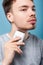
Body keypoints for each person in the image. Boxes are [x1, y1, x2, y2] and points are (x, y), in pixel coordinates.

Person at [0, 0, 43, 65]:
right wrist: (6, 61)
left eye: (33, 9)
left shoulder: (40, 44)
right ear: (10, 17)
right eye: (23, 9)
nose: (32, 13)